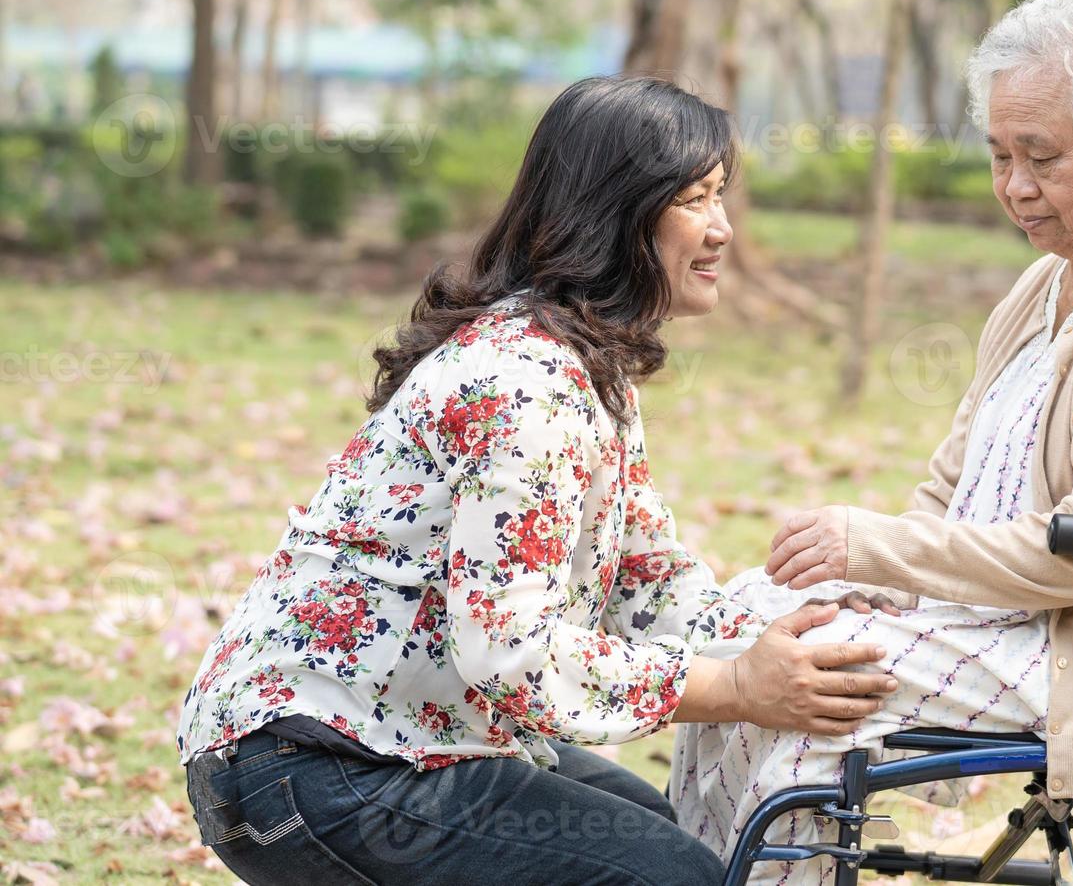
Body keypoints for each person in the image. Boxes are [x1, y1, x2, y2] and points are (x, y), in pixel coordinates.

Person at [176, 76, 896, 886]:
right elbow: (511, 655)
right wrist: (736, 686)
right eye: (696, 200)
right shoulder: (525, 386)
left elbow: (644, 578)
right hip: (310, 765)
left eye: (720, 195)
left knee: (664, 840)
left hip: (403, 739)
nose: (724, 229)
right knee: (672, 880)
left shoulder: (583, 366)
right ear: (618, 214)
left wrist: (793, 632)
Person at [671, 0, 1073, 885]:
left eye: (1043, 157)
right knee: (740, 627)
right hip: (1018, 614)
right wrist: (878, 573)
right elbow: (952, 483)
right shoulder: (1048, 282)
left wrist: (884, 551)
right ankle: (694, 870)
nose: (1016, 188)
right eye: (1000, 154)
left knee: (816, 693)